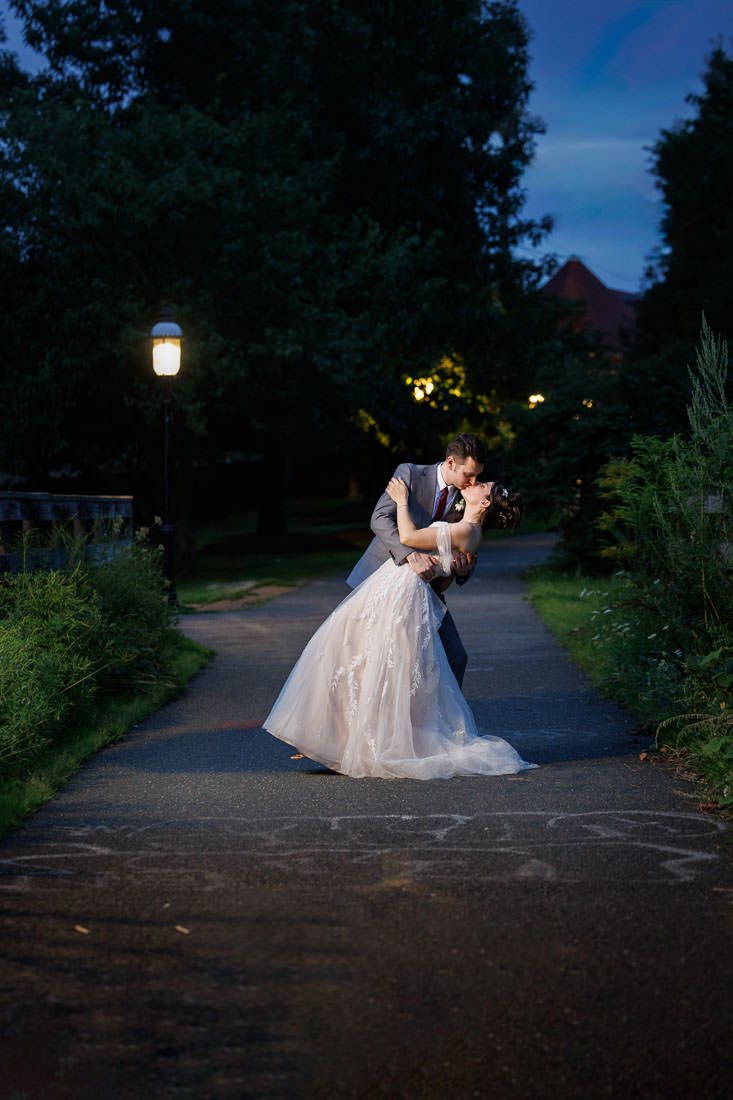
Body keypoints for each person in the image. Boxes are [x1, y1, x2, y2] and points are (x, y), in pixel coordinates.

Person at [263, 476, 535, 779]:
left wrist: (402, 501)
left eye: (483, 485)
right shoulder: (462, 526)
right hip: (392, 588)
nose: (477, 483)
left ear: (484, 503)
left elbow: (407, 536)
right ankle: (333, 739)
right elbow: (439, 568)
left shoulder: (467, 531)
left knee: (387, 667)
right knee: (354, 655)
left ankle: (369, 742)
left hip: (403, 596)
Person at [346, 433, 489, 687]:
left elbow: (463, 544)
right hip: (382, 584)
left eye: (478, 475)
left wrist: (463, 571)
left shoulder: (466, 497)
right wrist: (411, 556)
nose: (473, 481)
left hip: (428, 592)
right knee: (366, 661)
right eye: (469, 474)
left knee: (456, 657)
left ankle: (441, 722)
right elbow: (379, 519)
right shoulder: (410, 473)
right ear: (451, 463)